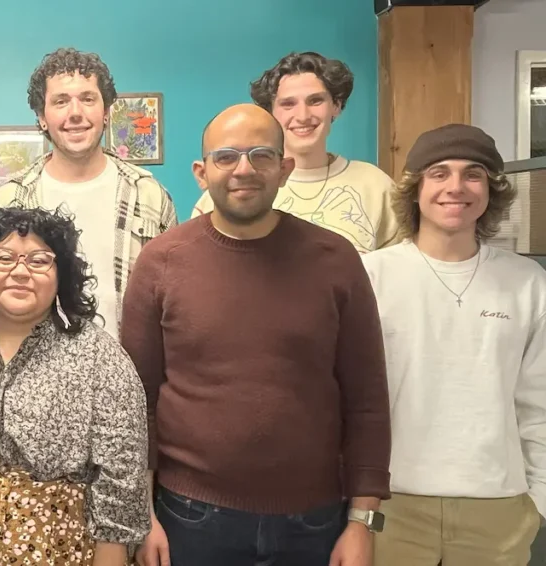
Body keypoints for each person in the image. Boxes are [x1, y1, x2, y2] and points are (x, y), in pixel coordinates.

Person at [123, 104, 391, 566]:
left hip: (316, 522)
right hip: (189, 518)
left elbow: (366, 399)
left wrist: (361, 523)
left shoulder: (335, 259)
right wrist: (143, 515)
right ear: (201, 172)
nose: (243, 169)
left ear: (284, 168)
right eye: (226, 156)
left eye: (261, 155)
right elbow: (135, 401)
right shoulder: (161, 261)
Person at [362, 124, 546, 566]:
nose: (456, 188)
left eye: (473, 174)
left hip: (499, 508)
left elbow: (538, 402)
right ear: (415, 188)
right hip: (391, 504)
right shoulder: (369, 276)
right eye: (439, 173)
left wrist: (537, 504)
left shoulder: (528, 283)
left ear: (491, 190)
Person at [0, 206, 150, 565]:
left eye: (39, 260)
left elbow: (122, 470)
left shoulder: (98, 355)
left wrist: (112, 554)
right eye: (3, 257)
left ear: (60, 275)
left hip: (59, 549)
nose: (20, 272)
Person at [0, 47, 177, 339]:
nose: (75, 113)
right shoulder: (8, 202)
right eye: (61, 101)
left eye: (87, 99)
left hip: (132, 375)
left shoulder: (149, 195)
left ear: (105, 113)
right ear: (41, 117)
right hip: (36, 378)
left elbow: (173, 300)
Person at [191, 52, 399, 254]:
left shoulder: (376, 186)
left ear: (336, 106)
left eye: (315, 101)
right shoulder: (235, 186)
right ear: (270, 112)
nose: (303, 116)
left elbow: (402, 273)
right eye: (288, 104)